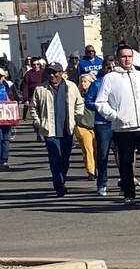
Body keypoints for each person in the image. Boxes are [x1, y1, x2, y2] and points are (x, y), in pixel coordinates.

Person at [94, 44, 140, 206]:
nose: (127, 59)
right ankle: (129, 194)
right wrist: (115, 116)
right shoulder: (110, 78)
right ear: (118, 58)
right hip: (123, 129)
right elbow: (100, 102)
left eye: (129, 56)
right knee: (125, 162)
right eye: (123, 56)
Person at [30, 62, 84, 196]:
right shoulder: (41, 89)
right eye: (50, 72)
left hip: (67, 130)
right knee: (55, 159)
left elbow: (79, 104)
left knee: (65, 159)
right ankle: (58, 185)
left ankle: (62, 180)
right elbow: (33, 108)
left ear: (61, 73)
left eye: (55, 72)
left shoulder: (71, 87)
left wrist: (76, 118)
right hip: (50, 131)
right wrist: (38, 122)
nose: (52, 75)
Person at [85, 58, 115, 196]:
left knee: (123, 153)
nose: (111, 70)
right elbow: (88, 102)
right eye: (108, 67)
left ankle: (125, 181)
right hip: (102, 124)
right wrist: (100, 107)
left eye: (114, 67)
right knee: (103, 154)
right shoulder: (97, 83)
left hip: (118, 122)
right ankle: (102, 183)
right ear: (103, 68)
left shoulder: (119, 83)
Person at [75, 70, 98, 181]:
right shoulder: (76, 95)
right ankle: (91, 171)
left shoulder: (96, 94)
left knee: (97, 149)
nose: (83, 83)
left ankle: (97, 168)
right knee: (88, 149)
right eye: (82, 81)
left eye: (85, 81)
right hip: (82, 126)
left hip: (96, 125)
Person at [0, 67, 18, 172]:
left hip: (6, 117)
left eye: (0, 76)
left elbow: (15, 98)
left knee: (5, 139)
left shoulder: (8, 86)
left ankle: (3, 160)